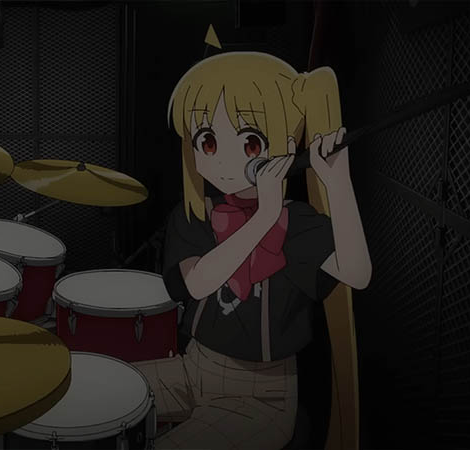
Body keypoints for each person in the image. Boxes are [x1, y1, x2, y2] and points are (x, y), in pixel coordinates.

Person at [143, 50, 372, 449]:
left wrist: (338, 182)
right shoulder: (197, 212)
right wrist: (263, 216)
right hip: (194, 366)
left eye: (250, 143)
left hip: (262, 396)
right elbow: (197, 283)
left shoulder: (296, 222)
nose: (224, 161)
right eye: (208, 141)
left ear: (286, 146)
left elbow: (358, 273)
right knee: (102, 392)